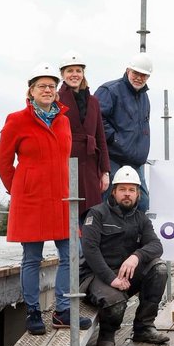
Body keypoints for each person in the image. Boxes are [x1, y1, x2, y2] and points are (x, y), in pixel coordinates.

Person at [0, 62, 93, 336]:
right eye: (42, 86)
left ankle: (63, 311)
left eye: (51, 86)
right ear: (31, 91)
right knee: (32, 257)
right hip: (31, 199)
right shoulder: (17, 120)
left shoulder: (63, 120)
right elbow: (3, 161)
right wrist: (19, 188)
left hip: (61, 199)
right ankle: (33, 312)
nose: (47, 90)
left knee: (71, 253)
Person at [81, 165, 171, 346]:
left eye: (132, 190)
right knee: (115, 303)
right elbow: (90, 251)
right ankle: (107, 333)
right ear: (113, 192)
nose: (127, 194)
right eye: (122, 189)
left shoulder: (141, 219)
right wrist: (111, 279)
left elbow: (156, 245)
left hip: (126, 273)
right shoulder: (96, 214)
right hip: (98, 276)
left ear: (138, 194)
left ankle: (144, 328)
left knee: (159, 269)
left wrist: (136, 256)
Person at [95, 55, 153, 212]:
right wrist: (115, 140)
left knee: (142, 203)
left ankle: (135, 230)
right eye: (136, 73)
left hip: (135, 161)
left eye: (143, 75)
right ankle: (103, 229)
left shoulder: (144, 97)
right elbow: (97, 119)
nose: (139, 78)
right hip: (112, 158)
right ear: (128, 71)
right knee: (107, 202)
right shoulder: (109, 90)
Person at [58, 51, 110, 220]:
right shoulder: (56, 99)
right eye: (70, 71)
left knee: (90, 215)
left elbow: (100, 137)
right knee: (67, 212)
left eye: (78, 70)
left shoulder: (93, 101)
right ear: (62, 74)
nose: (74, 74)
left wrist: (105, 171)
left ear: (83, 73)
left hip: (90, 165)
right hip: (66, 162)